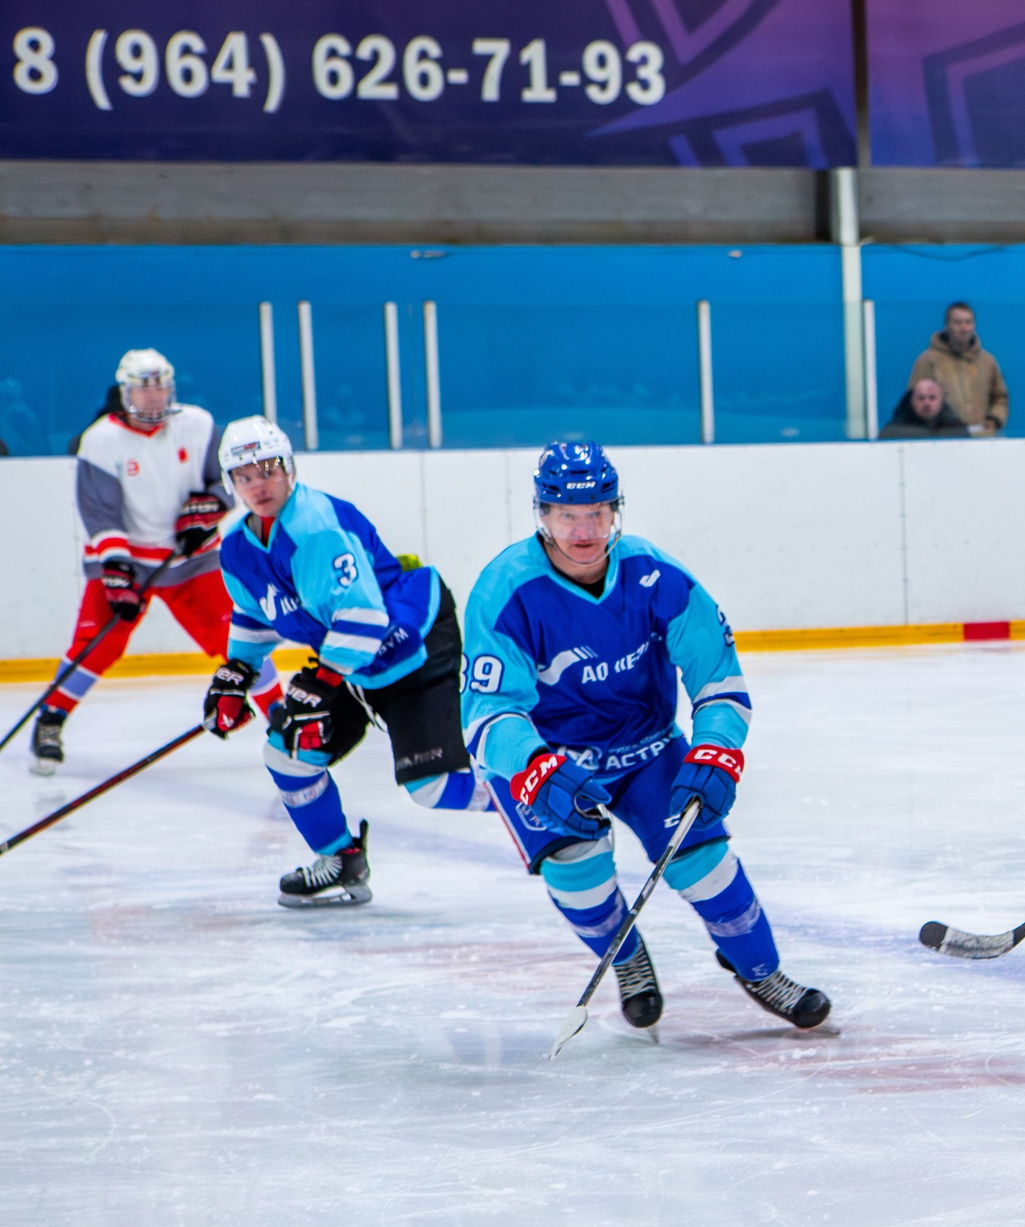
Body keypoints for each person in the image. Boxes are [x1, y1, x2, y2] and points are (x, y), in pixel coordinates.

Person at [461, 441, 830, 1034]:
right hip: (553, 766)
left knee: (706, 866)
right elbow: (487, 712)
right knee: (577, 876)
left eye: (597, 512)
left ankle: (759, 969)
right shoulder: (505, 591)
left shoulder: (654, 574)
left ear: (616, 511)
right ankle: (628, 960)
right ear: (542, 515)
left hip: (648, 749)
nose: (584, 530)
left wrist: (716, 747)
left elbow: (717, 675)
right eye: (566, 514)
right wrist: (531, 766)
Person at [201, 417, 489, 907]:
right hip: (353, 661)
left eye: (268, 468)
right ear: (231, 484)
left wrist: (323, 679)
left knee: (433, 786)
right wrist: (237, 673)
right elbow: (256, 615)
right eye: (244, 475)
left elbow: (363, 615)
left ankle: (537, 794)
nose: (258, 484)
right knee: (287, 757)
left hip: (409, 642)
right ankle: (341, 858)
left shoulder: (315, 526)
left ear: (288, 467)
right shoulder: (237, 548)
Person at [30, 350, 267, 775]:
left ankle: (282, 716)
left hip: (191, 561)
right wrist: (117, 571)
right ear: (126, 391)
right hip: (128, 562)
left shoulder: (197, 424)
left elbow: (229, 479)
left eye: (161, 385)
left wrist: (211, 507)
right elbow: (100, 513)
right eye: (145, 386)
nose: (155, 395)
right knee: (96, 645)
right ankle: (50, 719)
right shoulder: (101, 440)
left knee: (236, 638)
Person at [908, 302, 1008, 436]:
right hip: (944, 440)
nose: (964, 328)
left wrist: (994, 420)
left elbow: (1000, 397)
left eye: (968, 322)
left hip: (983, 439)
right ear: (947, 326)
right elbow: (914, 400)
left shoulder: (987, 361)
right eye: (957, 322)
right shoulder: (928, 361)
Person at [881, 377, 971, 440]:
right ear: (911, 402)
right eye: (921, 398)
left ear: (941, 401)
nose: (927, 403)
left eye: (932, 398)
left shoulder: (957, 432)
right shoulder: (892, 434)